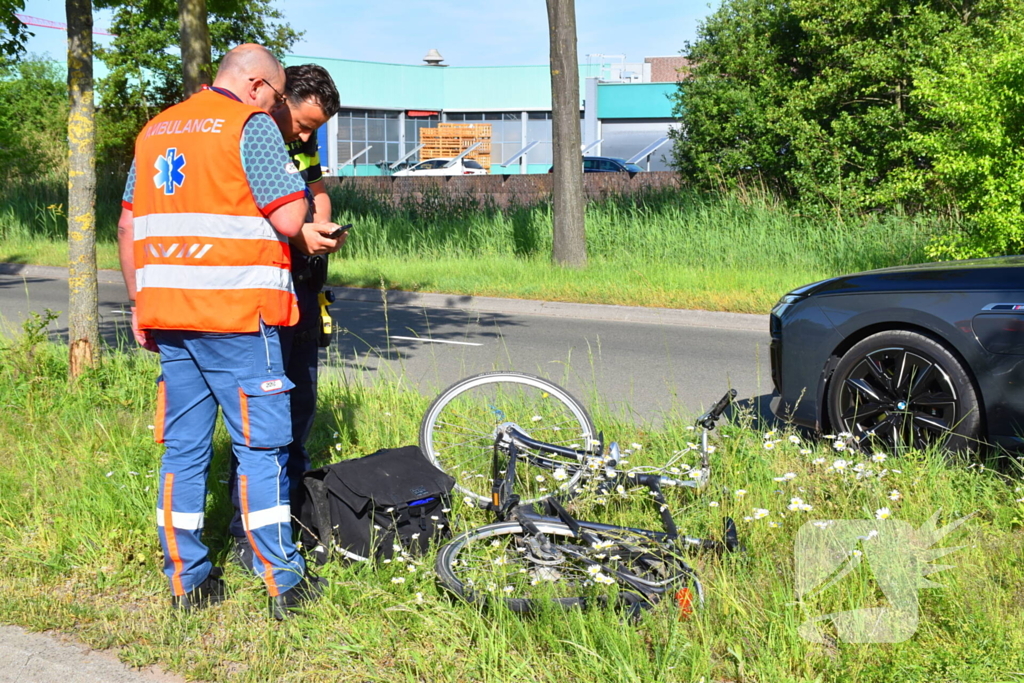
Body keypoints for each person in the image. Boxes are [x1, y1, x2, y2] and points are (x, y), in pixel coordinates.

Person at [117, 44, 342, 618]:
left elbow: (127, 223)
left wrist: (141, 304)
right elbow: (291, 218)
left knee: (183, 453)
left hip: (169, 318)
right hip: (240, 318)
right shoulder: (251, 126)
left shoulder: (155, 130)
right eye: (274, 94)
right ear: (259, 84)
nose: (273, 105)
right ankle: (283, 581)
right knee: (262, 450)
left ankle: (186, 581)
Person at [228, 63, 343, 569]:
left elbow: (316, 191)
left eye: (314, 130)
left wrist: (322, 224)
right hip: (263, 297)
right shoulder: (251, 138)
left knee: (301, 407)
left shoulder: (299, 142)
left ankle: (293, 511)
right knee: (262, 422)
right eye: (302, 123)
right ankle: (245, 530)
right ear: (276, 100)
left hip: (303, 290)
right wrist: (299, 235)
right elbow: (256, 218)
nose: (304, 135)